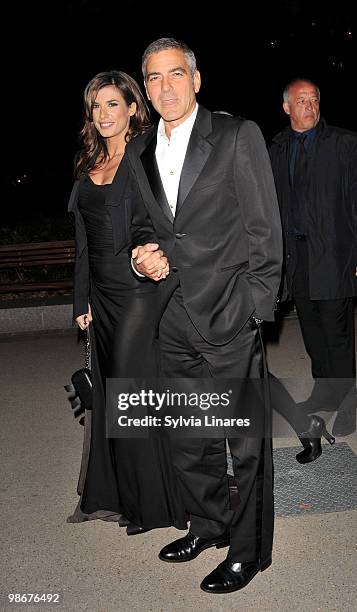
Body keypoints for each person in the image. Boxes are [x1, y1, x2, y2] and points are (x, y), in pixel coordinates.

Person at [126, 38, 283, 594]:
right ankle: (209, 523)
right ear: (144, 88)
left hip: (228, 314)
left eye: (175, 74)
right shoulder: (141, 148)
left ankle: (249, 551)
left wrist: (255, 308)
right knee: (189, 437)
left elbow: (266, 228)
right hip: (169, 317)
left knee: (242, 440)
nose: (164, 87)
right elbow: (147, 226)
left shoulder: (237, 135)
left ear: (197, 79)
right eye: (153, 78)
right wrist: (140, 253)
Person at [67, 70, 187, 534]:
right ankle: (124, 493)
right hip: (101, 296)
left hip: (138, 290)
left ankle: (152, 504)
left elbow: (160, 223)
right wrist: (81, 300)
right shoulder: (86, 163)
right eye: (96, 106)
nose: (102, 115)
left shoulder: (146, 158)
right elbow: (81, 244)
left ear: (133, 108)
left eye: (112, 104)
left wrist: (153, 258)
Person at [269, 78, 357, 437]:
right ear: (287, 107)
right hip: (297, 257)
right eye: (301, 100)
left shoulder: (344, 144)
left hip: (334, 252)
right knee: (312, 329)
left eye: (314, 99)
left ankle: (349, 399)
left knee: (337, 333)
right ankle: (326, 393)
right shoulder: (276, 148)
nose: (310, 106)